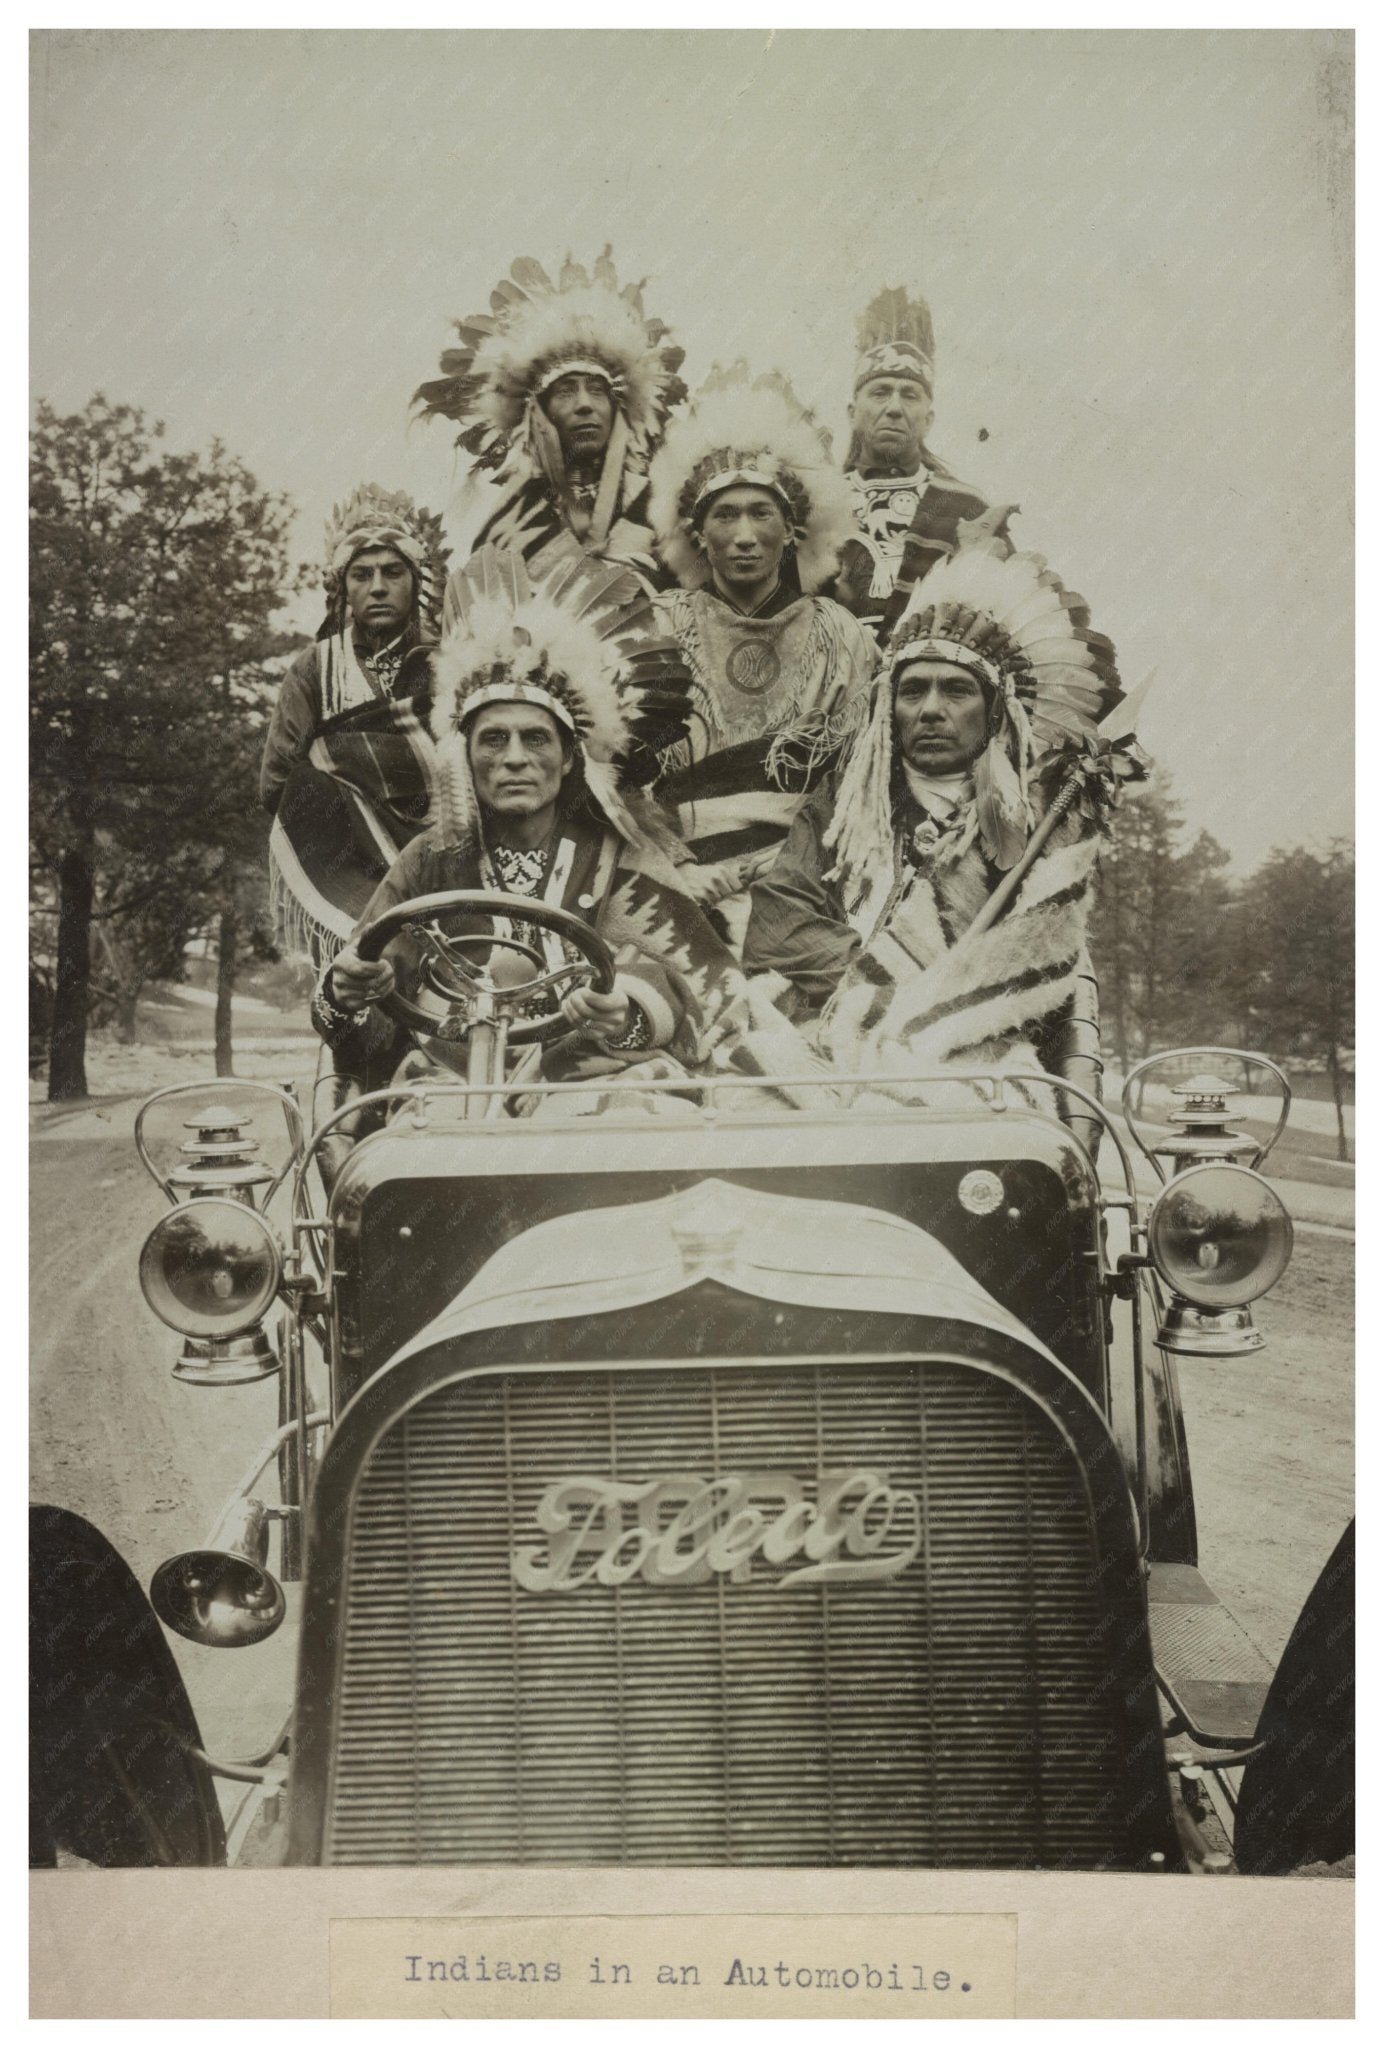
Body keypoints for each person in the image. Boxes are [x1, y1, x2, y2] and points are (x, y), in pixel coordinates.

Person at [315, 546, 742, 1092]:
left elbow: (705, 986)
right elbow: (361, 990)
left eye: (535, 738)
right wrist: (351, 988)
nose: (514, 758)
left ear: (568, 760)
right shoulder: (432, 857)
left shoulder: (621, 852)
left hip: (593, 1078)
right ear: (465, 758)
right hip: (449, 1079)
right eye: (493, 739)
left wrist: (628, 1010)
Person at [744, 540, 1133, 1108]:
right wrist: (881, 997)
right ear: (889, 708)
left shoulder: (1037, 826)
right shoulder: (847, 804)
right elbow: (778, 925)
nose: (930, 709)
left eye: (956, 690)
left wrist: (928, 1015)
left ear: (996, 710)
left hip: (974, 1049)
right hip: (829, 1030)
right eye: (912, 690)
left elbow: (1030, 957)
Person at [644, 367, 875, 949]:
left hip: (807, 886)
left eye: (761, 513)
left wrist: (793, 875)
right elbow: (615, 773)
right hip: (679, 879)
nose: (744, 534)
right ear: (698, 534)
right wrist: (676, 865)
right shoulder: (658, 626)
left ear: (792, 531)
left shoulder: (841, 637)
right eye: (725, 515)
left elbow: (859, 785)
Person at [414, 249, 686, 587]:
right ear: (537, 414)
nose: (585, 404)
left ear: (619, 409)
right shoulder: (506, 530)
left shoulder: (662, 510)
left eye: (598, 390)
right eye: (565, 391)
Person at [261, 484, 449, 964]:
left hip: (447, 863)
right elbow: (279, 780)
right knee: (359, 1003)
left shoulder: (451, 662)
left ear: (418, 581)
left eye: (392, 573)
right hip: (349, 871)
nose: (378, 588)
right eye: (362, 575)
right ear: (343, 588)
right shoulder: (315, 668)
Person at [835, 287, 1015, 641]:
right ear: (852, 414)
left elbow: (1003, 612)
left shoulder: (967, 507)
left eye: (910, 394)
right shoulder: (818, 502)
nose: (894, 407)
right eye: (880, 391)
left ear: (928, 418)